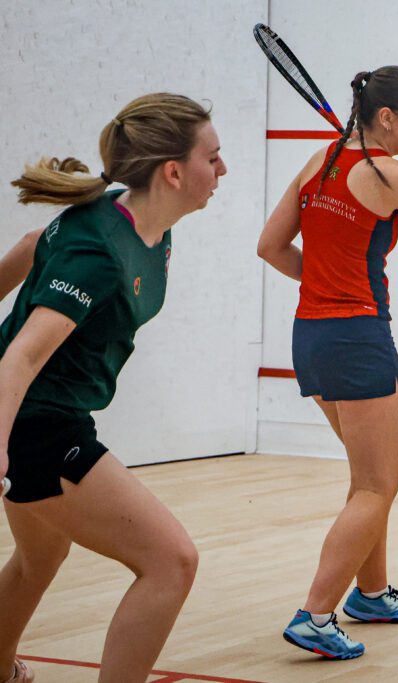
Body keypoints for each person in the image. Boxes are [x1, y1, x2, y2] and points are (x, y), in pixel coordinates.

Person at [0, 93, 227, 683]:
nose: (221, 170)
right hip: (36, 423)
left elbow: (32, 246)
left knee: (39, 557)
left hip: (54, 414)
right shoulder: (99, 249)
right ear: (173, 172)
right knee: (171, 561)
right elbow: (21, 357)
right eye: (214, 157)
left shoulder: (142, 227)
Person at [257, 66, 398, 660]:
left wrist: (319, 277)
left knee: (369, 480)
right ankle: (315, 615)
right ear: (386, 117)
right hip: (360, 338)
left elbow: (270, 247)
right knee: (376, 487)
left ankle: (370, 594)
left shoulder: (318, 162)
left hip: (309, 337)